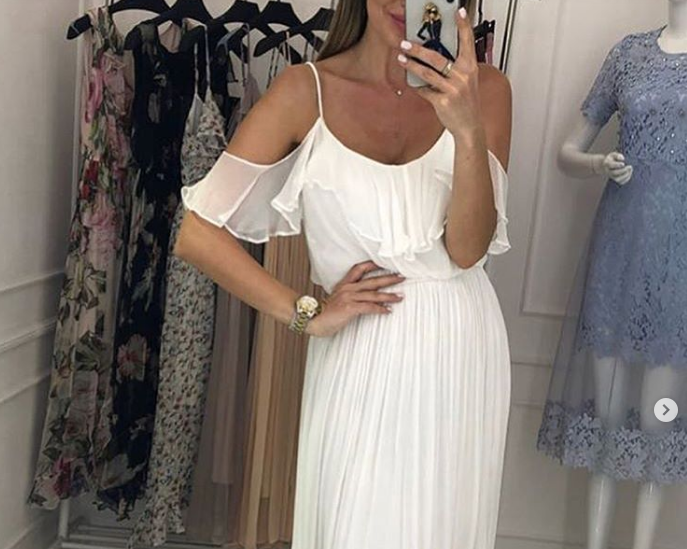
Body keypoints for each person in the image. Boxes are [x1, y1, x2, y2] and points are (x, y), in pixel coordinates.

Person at [174, 0, 513, 546]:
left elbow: (468, 250)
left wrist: (468, 131)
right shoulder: (304, 91)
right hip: (360, 350)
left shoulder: (487, 90)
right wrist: (305, 313)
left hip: (461, 347)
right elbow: (198, 232)